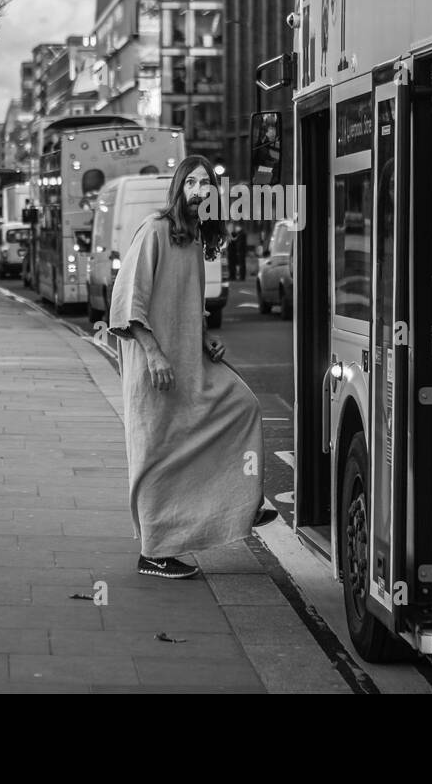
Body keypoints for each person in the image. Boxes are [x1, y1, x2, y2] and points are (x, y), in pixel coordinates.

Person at [109, 155, 275, 579]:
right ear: (179, 189)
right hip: (157, 368)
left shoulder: (193, 242)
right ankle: (153, 551)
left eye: (207, 186)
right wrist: (154, 353)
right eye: (194, 184)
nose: (201, 192)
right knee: (157, 454)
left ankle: (241, 501)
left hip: (189, 360)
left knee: (241, 406)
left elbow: (187, 305)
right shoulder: (155, 230)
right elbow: (128, 302)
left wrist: (205, 340)